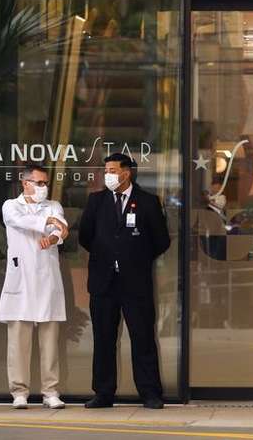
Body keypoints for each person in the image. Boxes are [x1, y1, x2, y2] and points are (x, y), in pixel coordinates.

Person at [79, 153, 171, 409]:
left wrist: (135, 258)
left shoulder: (148, 202)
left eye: (112, 169)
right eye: (106, 169)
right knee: (104, 339)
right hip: (103, 282)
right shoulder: (96, 201)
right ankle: (103, 392)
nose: (107, 174)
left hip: (136, 282)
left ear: (126, 172)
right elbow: (86, 236)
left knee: (142, 337)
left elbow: (161, 240)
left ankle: (150, 393)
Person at [0, 165, 69, 410]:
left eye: (45, 183)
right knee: (19, 341)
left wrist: (52, 237)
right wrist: (47, 222)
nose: (43, 188)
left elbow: (63, 230)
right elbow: (19, 221)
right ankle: (19, 392)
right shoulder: (11, 206)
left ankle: (51, 392)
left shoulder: (54, 205)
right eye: (38, 183)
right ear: (25, 183)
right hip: (21, 279)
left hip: (47, 279)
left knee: (50, 343)